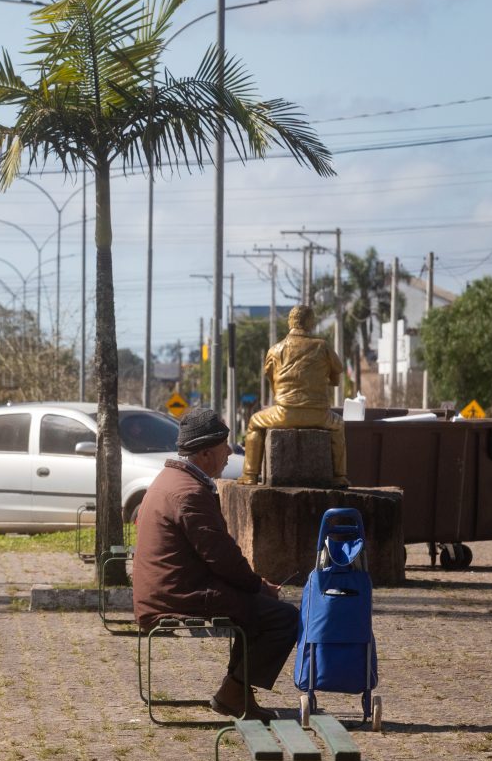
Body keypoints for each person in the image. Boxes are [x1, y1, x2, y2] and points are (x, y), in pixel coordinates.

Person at [132, 408, 298, 721]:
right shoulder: (189, 492)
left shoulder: (171, 479)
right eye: (224, 447)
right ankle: (233, 692)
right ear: (206, 453)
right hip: (176, 593)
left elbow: (217, 556)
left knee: (253, 606)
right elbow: (222, 559)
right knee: (283, 617)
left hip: (170, 585)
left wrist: (254, 588)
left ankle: (237, 691)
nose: (229, 453)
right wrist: (260, 587)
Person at [238, 304, 348, 487]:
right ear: (311, 323)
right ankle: (339, 477)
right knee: (339, 425)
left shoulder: (275, 350)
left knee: (254, 422)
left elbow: (273, 384)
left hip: (284, 413)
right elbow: (336, 377)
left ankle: (249, 475)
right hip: (319, 415)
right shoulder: (323, 346)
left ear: (290, 323)